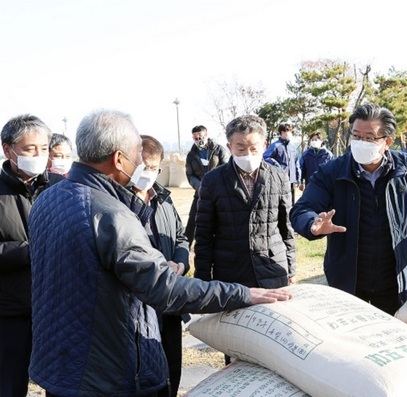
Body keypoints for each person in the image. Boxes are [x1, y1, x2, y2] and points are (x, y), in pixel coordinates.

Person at [28, 110, 292, 396]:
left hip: (61, 363)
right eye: (136, 153)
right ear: (119, 159)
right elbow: (164, 288)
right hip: (106, 370)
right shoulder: (110, 215)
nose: (141, 162)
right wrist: (242, 294)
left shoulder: (49, 197)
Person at [290, 104, 407, 315]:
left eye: (369, 137)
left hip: (394, 277)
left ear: (386, 142)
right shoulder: (333, 171)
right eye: (356, 136)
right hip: (348, 278)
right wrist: (312, 225)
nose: (360, 143)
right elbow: (302, 209)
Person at [194, 114, 296, 288]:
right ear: (229, 147)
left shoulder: (279, 176)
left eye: (254, 149)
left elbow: (286, 227)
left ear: (264, 145)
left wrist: (291, 268)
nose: (248, 155)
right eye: (240, 149)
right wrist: (203, 278)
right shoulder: (212, 181)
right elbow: (204, 234)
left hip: (272, 266)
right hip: (231, 272)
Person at [130, 135, 190, 397]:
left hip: (169, 300)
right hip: (137, 306)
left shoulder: (163, 199)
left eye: (153, 168)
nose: (147, 173)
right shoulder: (117, 201)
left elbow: (180, 236)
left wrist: (180, 262)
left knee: (172, 367)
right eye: (142, 166)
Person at [0, 114, 53, 397]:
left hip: (56, 308)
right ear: (8, 150)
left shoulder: (58, 187)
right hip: (12, 310)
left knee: (60, 383)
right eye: (30, 149)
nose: (38, 155)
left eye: (43, 148)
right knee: (10, 384)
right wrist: (30, 251)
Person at [184, 125, 229, 246]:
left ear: (206, 135)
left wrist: (215, 186)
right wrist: (200, 187)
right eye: (195, 138)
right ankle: (185, 248)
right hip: (200, 192)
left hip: (219, 193)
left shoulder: (219, 150)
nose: (198, 139)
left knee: (222, 220)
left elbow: (226, 170)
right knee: (193, 221)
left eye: (200, 136)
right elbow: (190, 174)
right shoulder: (191, 154)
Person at [263, 122, 301, 202]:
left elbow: (296, 163)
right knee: (281, 202)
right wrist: (275, 163)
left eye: (290, 131)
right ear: (282, 133)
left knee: (291, 202)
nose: (288, 133)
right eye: (286, 131)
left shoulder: (292, 147)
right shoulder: (275, 146)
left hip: (291, 180)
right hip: (280, 179)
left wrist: (298, 178)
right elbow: (265, 157)